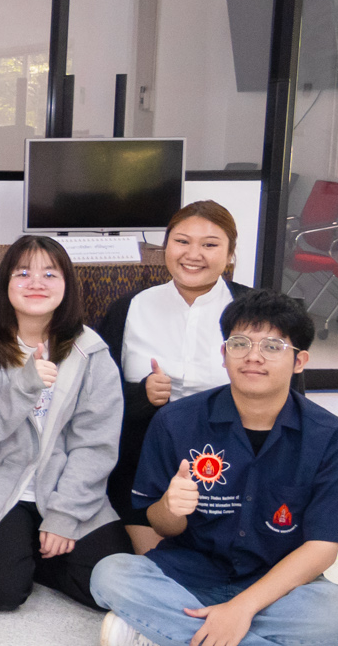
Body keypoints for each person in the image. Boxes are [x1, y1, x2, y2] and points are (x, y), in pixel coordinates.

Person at [91, 290, 338, 646]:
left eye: (272, 347)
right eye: (240, 344)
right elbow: (160, 524)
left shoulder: (335, 439)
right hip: (186, 576)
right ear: (224, 355)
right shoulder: (176, 422)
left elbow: (322, 549)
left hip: (275, 587)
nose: (253, 357)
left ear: (299, 361)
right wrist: (170, 507)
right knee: (110, 574)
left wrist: (242, 608)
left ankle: (163, 632)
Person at [0, 237, 127, 612]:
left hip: (63, 485)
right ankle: (23, 555)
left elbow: (95, 444)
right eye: (23, 273)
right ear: (5, 283)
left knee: (113, 583)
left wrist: (64, 515)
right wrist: (24, 385)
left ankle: (35, 554)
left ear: (67, 285)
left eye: (49, 274)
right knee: (1, 591)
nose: (36, 283)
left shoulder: (90, 350)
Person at [97, 201, 250, 554]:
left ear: (230, 254)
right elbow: (95, 397)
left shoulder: (254, 311)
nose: (193, 254)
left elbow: (288, 397)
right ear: (166, 247)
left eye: (210, 244)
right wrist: (141, 396)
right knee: (158, 563)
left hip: (237, 462)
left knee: (229, 556)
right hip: (144, 462)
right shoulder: (130, 308)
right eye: (182, 241)